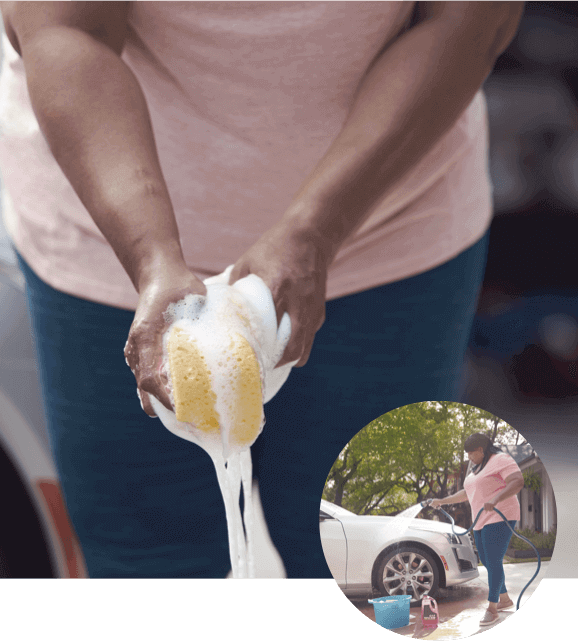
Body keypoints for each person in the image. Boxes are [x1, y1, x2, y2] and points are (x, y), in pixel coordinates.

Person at [0, 2, 525, 579]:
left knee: (374, 568)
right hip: (108, 235)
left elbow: (470, 23)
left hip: (387, 231)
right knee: (150, 560)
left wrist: (316, 233)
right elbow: (63, 29)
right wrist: (151, 259)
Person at [431, 432, 525, 625]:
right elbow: (466, 493)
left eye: (471, 453)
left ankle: (492, 608)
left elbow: (517, 481)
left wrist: (496, 498)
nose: (469, 458)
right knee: (487, 561)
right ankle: (505, 599)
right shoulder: (475, 469)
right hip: (481, 519)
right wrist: (442, 501)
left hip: (501, 515)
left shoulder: (500, 459)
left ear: (481, 450)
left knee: (493, 560)